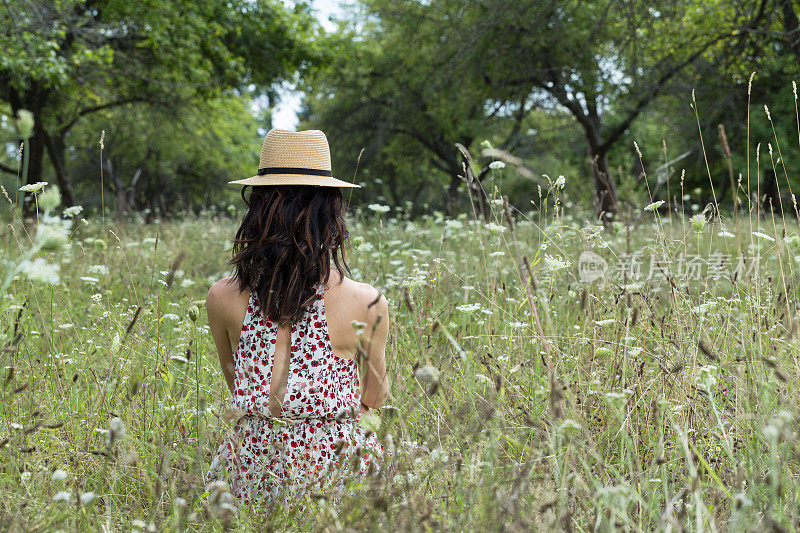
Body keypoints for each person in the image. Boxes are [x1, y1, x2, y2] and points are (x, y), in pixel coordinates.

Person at [204, 129, 390, 514]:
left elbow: (238, 386)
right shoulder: (366, 301)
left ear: (257, 210)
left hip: (252, 473)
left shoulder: (221, 297)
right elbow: (373, 397)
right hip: (334, 476)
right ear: (330, 211)